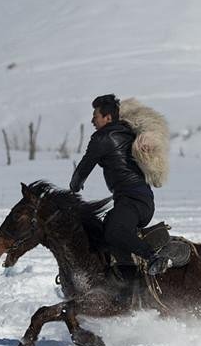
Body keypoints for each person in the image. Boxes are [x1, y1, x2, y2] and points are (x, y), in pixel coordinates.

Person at [70, 94, 169, 275]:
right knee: (108, 228)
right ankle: (128, 275)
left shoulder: (102, 138)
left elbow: (85, 166)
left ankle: (154, 257)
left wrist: (74, 186)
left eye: (95, 116)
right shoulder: (127, 132)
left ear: (107, 118)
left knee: (114, 232)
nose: (92, 120)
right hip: (140, 200)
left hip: (132, 201)